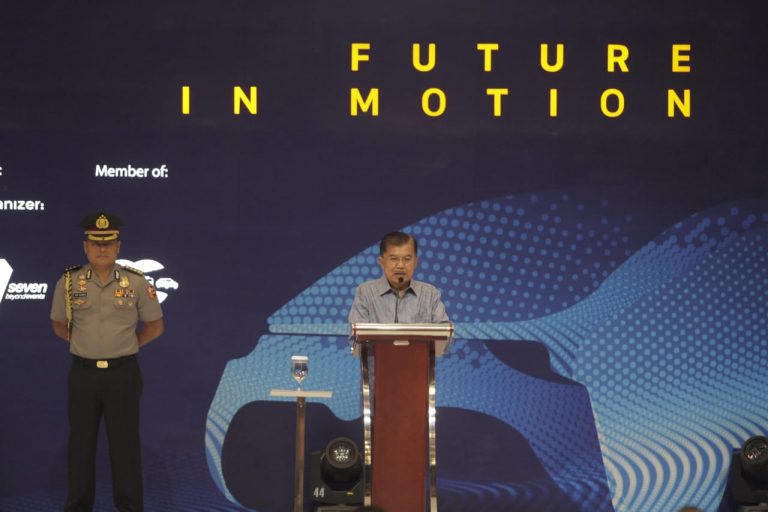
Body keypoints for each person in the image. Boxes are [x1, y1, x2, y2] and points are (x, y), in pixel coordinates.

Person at [50, 213, 164, 512]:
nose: (102, 249)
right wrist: (83, 344)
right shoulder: (69, 282)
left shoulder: (136, 282)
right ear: (85, 247)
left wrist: (126, 346)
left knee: (125, 447)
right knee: (81, 446)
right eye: (95, 243)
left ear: (118, 247)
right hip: (83, 374)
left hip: (122, 375)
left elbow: (155, 326)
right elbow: (59, 323)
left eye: (108, 243)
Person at [348, 231, 449, 324]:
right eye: (394, 259)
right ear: (382, 262)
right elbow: (357, 334)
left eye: (407, 259)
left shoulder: (430, 294)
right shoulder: (365, 293)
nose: (400, 265)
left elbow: (445, 333)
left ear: (416, 262)